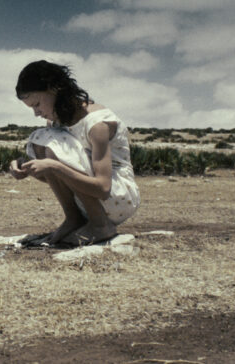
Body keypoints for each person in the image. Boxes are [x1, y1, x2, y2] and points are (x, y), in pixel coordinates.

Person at [9, 60, 139, 247]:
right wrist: (26, 167)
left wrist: (54, 166)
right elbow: (60, 179)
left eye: (37, 104)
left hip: (118, 196)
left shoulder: (97, 124)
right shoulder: (56, 122)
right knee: (42, 139)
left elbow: (103, 188)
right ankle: (74, 218)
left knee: (52, 141)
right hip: (91, 198)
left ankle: (100, 225)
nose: (37, 113)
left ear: (54, 89)